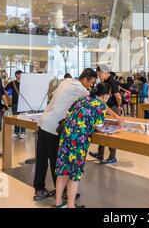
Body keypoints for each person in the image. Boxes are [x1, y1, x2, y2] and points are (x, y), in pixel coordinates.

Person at [33, 68, 97, 201]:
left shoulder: (66, 81)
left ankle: (39, 189)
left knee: (42, 159)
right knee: (57, 161)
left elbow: (53, 96)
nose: (91, 86)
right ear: (85, 79)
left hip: (43, 122)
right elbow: (96, 104)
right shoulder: (82, 90)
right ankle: (61, 192)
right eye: (91, 83)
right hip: (54, 127)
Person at [54, 83, 112, 208]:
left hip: (66, 136)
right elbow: (99, 126)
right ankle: (71, 206)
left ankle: (58, 203)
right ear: (105, 95)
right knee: (74, 173)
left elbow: (68, 114)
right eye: (109, 94)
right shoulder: (101, 105)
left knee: (62, 170)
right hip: (79, 140)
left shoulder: (82, 99)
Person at [89, 67, 122, 165]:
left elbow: (118, 97)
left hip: (112, 108)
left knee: (109, 133)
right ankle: (100, 153)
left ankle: (112, 157)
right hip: (105, 108)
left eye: (99, 74)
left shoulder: (112, 82)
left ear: (104, 72)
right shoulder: (100, 102)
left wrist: (119, 107)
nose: (99, 77)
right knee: (102, 129)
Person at [4, 70, 24, 139]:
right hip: (15, 103)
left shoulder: (26, 83)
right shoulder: (12, 83)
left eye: (21, 74)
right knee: (16, 118)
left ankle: (22, 132)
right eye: (19, 74)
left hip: (23, 103)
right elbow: (4, 89)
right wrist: (8, 96)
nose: (20, 75)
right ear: (16, 75)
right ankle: (16, 132)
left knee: (23, 118)